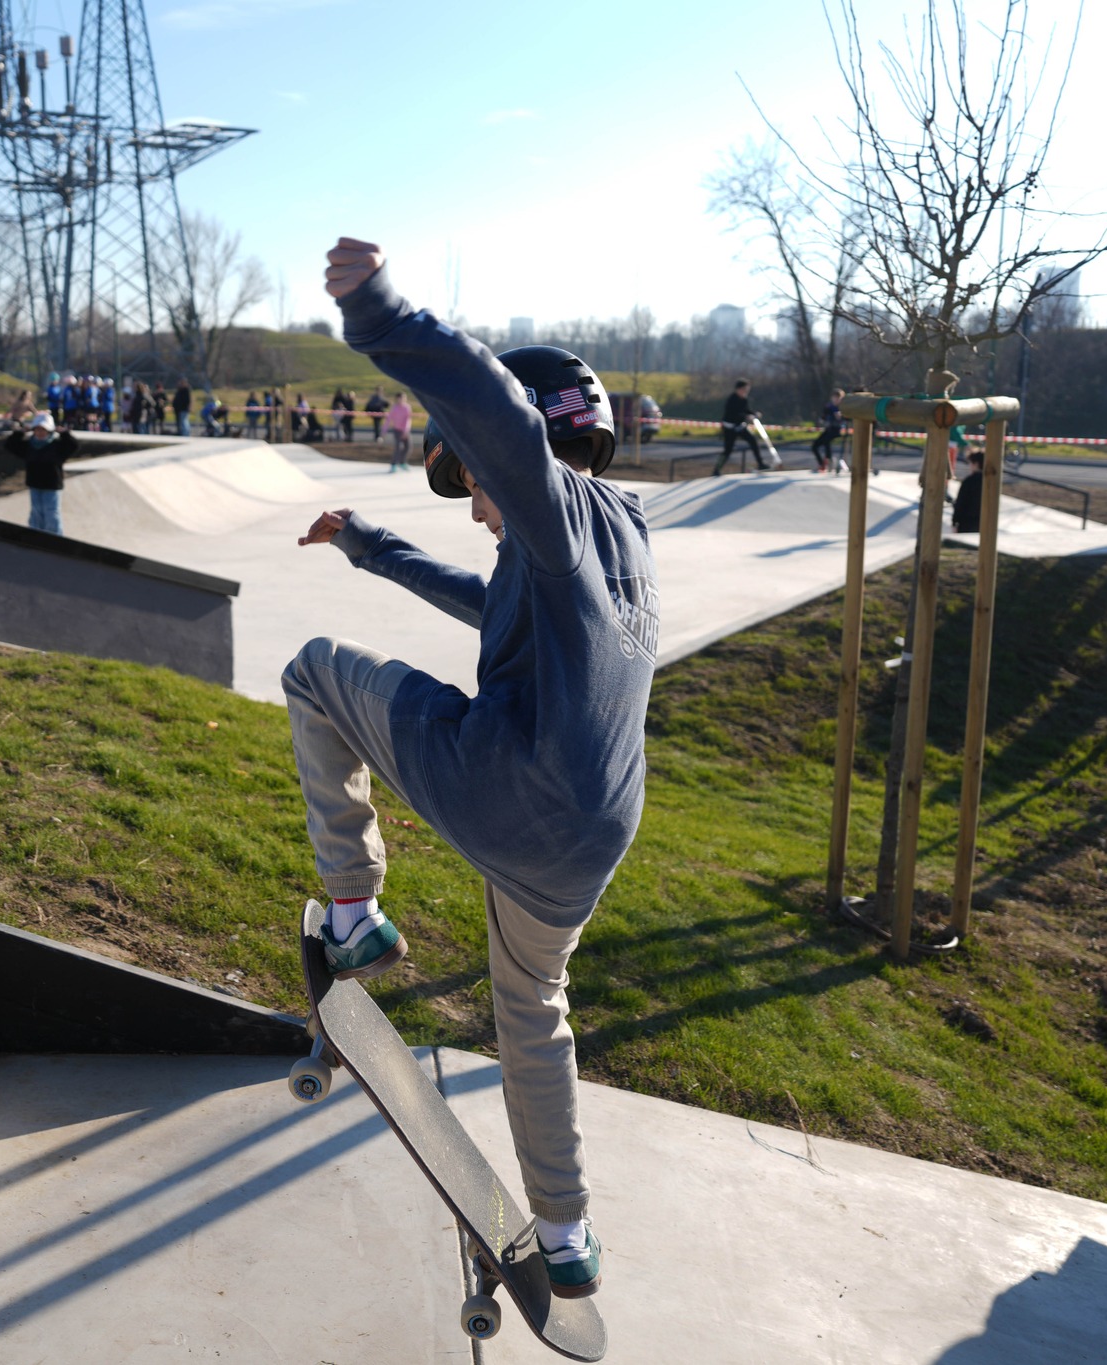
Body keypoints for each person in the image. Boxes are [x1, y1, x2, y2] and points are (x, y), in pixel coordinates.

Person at [289, 237, 653, 1298]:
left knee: (314, 673)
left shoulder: (551, 505)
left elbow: (495, 413)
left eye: (477, 490)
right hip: (590, 837)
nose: (479, 509)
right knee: (532, 1009)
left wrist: (379, 311)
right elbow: (482, 599)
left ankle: (354, 912)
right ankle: (563, 1227)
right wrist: (370, 545)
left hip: (510, 786)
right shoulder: (617, 551)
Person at [5, 411, 79, 535]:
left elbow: (74, 445)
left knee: (51, 513)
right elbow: (9, 445)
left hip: (52, 486)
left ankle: (55, 539)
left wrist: (64, 433)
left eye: (43, 430)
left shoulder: (57, 446)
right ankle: (36, 537)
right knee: (36, 513)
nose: (40, 433)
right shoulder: (29, 446)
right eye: (37, 430)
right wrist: (20, 432)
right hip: (35, 485)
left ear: (49, 431)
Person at [715, 379, 769, 475]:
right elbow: (732, 414)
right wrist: (745, 416)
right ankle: (717, 469)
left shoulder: (744, 399)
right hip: (730, 428)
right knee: (728, 450)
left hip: (740, 427)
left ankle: (761, 463)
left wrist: (754, 414)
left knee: (753, 441)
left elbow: (746, 410)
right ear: (738, 389)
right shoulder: (731, 400)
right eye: (744, 389)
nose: (746, 391)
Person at [811, 388, 846, 473]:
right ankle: (821, 464)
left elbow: (847, 419)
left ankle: (828, 460)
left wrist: (840, 417)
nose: (836, 400)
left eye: (838, 398)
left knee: (827, 441)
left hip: (837, 430)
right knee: (815, 446)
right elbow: (823, 417)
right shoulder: (829, 407)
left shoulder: (843, 407)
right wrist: (822, 420)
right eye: (835, 398)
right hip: (829, 429)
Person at [951, 450, 984, 534]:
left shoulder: (969, 481)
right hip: (983, 522)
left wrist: (955, 521)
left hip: (967, 522)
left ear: (976, 464)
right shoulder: (989, 482)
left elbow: (961, 502)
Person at [384, 389, 413, 471]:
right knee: (398, 447)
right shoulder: (394, 408)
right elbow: (388, 419)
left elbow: (408, 420)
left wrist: (406, 431)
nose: (402, 400)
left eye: (404, 398)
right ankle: (393, 465)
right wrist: (384, 431)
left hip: (405, 430)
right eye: (401, 398)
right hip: (397, 430)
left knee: (408, 447)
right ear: (397, 399)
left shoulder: (407, 407)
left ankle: (402, 462)